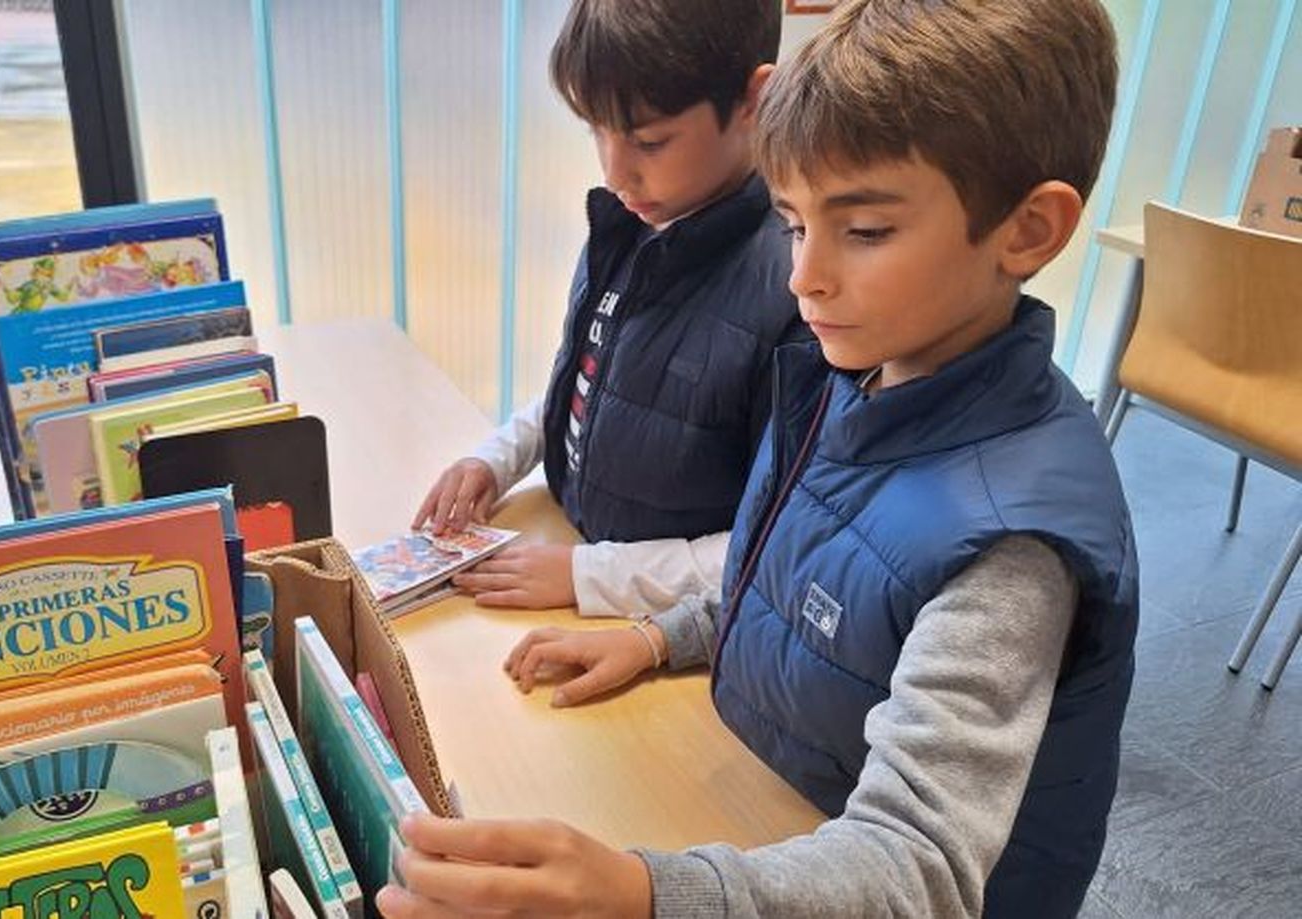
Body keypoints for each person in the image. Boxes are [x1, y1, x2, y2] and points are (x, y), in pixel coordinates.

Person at [380, 0, 1136, 916]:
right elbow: (796, 580)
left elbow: (917, 867)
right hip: (779, 815)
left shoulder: (1013, 547)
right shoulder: (856, 373)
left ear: (1026, 230)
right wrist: (664, 635)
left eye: (863, 232)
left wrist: (641, 894)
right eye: (790, 221)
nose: (803, 275)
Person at [413, 0, 803, 618]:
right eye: (596, 130)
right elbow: (590, 383)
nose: (616, 172)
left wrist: (590, 576)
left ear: (755, 99)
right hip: (571, 550)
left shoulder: (801, 285)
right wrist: (496, 458)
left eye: (650, 140)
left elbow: (782, 544)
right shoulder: (632, 223)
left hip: (669, 629)